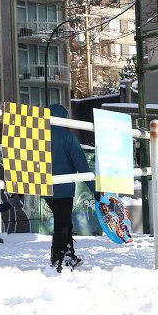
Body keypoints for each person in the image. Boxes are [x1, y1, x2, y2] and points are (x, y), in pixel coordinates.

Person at [46, 103, 96, 272]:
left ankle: (69, 255)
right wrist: (94, 189)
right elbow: (82, 166)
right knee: (62, 224)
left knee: (64, 222)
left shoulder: (39, 136)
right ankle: (57, 259)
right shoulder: (68, 137)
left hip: (45, 189)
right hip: (64, 189)